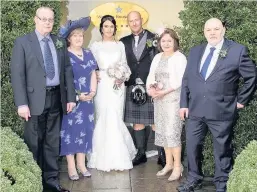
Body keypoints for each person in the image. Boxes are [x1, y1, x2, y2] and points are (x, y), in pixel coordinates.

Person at [177, 18, 256, 192]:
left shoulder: (237, 51)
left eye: (216, 29)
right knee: (191, 146)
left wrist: (242, 100)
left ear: (223, 30)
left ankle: (222, 183)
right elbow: (187, 80)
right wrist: (183, 103)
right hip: (195, 110)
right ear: (204, 32)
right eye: (208, 30)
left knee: (222, 150)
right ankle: (193, 178)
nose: (212, 33)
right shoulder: (195, 51)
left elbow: (251, 77)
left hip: (222, 110)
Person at [10, 7, 76, 192]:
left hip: (56, 98)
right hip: (32, 102)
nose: (47, 22)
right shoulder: (23, 42)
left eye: (51, 19)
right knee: (33, 142)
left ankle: (51, 180)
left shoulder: (59, 42)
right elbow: (17, 74)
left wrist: (70, 97)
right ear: (35, 19)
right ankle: (34, 181)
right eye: (43, 19)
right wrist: (21, 103)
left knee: (52, 141)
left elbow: (67, 71)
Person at [87, 15, 137, 171]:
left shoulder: (120, 45)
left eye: (111, 26)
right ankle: (99, 155)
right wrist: (94, 75)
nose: (109, 29)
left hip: (117, 85)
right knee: (102, 116)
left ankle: (119, 155)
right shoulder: (95, 46)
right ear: (101, 28)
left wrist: (122, 77)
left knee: (116, 116)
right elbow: (90, 66)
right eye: (106, 26)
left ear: (115, 28)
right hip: (101, 85)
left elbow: (125, 65)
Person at [120, 11, 166, 167]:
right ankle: (141, 153)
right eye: (131, 21)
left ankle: (162, 154)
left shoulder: (155, 38)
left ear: (142, 20)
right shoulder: (123, 41)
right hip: (132, 85)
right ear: (128, 23)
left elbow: (161, 60)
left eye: (136, 20)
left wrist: (157, 83)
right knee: (137, 122)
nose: (134, 23)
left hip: (151, 85)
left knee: (155, 121)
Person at [58, 17, 97, 180]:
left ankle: (81, 164)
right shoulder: (64, 55)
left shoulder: (88, 53)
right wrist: (76, 95)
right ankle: (71, 166)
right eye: (75, 36)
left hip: (88, 100)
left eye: (80, 35)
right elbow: (62, 79)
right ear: (68, 39)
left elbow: (93, 72)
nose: (78, 38)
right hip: (72, 101)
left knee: (85, 131)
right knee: (70, 133)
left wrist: (93, 91)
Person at [146, 28, 187, 181]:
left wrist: (163, 92)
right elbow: (151, 76)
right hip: (159, 101)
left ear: (175, 41)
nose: (166, 43)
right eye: (163, 41)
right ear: (159, 43)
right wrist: (151, 90)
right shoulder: (157, 57)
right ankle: (168, 164)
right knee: (162, 132)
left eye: (169, 41)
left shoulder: (180, 57)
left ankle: (178, 166)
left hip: (173, 100)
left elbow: (181, 81)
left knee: (172, 133)